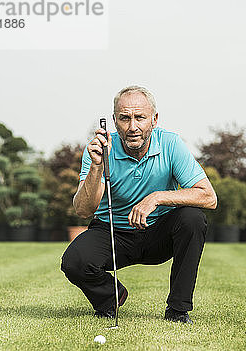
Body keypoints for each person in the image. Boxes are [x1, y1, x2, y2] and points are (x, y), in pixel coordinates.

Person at [61, 85, 217, 324]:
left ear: (154, 119)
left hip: (158, 234)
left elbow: (208, 197)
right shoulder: (99, 150)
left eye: (139, 117)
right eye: (124, 118)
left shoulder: (171, 144)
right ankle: (110, 298)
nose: (132, 127)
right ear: (114, 121)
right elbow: (83, 210)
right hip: (113, 234)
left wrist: (156, 198)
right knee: (75, 261)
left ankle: (178, 309)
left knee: (192, 218)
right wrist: (96, 167)